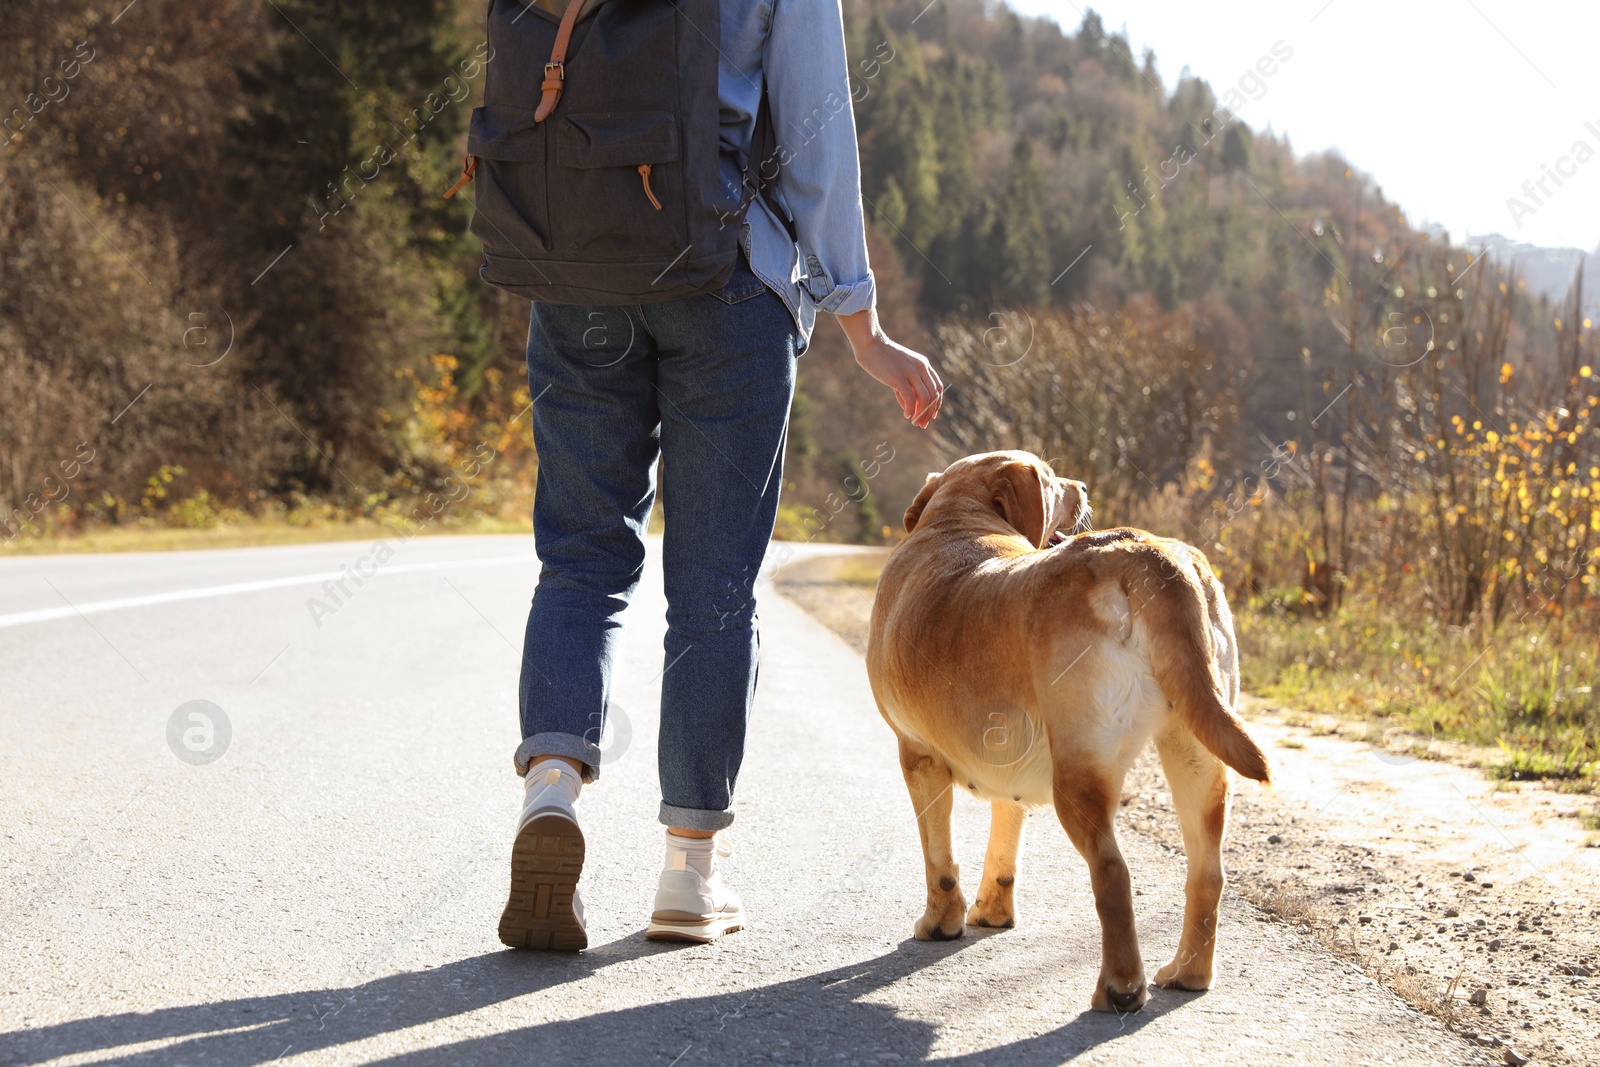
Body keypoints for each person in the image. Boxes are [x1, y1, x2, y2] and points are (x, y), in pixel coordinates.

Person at [499, 0, 944, 951]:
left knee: (579, 556)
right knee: (710, 591)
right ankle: (687, 873)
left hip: (577, 268)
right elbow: (818, 121)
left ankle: (553, 793)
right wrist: (860, 322)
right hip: (727, 277)